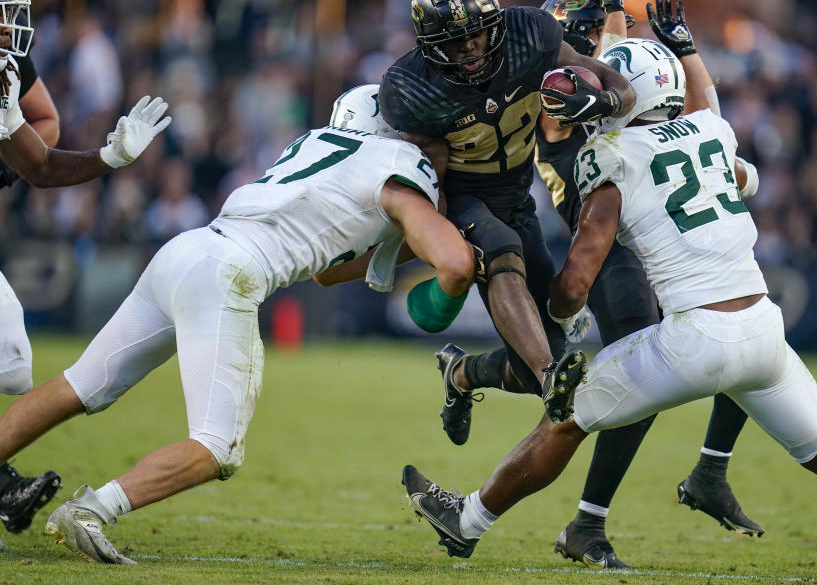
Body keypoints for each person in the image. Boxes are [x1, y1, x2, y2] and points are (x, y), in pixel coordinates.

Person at [400, 36, 817, 585]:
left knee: (566, 417)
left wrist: (559, 314)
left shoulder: (611, 157)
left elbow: (575, 281)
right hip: (764, 331)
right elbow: (718, 131)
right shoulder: (712, 131)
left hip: (693, 338)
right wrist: (689, 50)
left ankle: (466, 520)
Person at [0, 93, 493, 565]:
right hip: (228, 276)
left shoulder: (321, 145)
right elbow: (452, 264)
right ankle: (92, 510)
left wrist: (410, 241)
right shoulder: (400, 167)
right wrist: (448, 246)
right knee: (217, 447)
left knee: (80, 384)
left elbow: (326, 269)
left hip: (186, 250)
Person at [530, 0, 762, 568]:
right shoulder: (556, 90)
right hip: (607, 250)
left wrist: (669, 48)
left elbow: (663, 107)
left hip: (645, 233)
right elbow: (618, 91)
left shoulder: (594, 82)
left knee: (752, 331)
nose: (610, 47)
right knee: (631, 380)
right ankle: (586, 522)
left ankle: (709, 470)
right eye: (596, 35)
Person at [379, 0, 635, 428]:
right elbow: (429, 181)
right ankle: (549, 377)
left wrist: (604, 103)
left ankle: (462, 372)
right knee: (502, 252)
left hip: (517, 195)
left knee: (535, 348)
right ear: (429, 45)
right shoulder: (411, 88)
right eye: (456, 41)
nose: (471, 47)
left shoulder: (529, 34)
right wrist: (441, 243)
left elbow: (622, 87)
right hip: (461, 194)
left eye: (476, 33)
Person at [0, 0, 170, 548]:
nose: (11, 32)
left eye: (10, 17)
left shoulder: (4, 76)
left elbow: (40, 165)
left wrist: (108, 158)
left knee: (13, 363)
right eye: (1, 20)